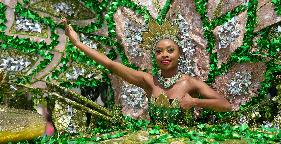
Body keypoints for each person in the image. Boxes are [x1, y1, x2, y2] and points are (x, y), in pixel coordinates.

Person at [62, 19, 231, 115]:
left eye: (170, 51)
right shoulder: (149, 81)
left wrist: (194, 101)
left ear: (179, 54)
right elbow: (110, 64)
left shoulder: (190, 83)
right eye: (159, 51)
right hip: (155, 143)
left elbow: (225, 105)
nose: (164, 55)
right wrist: (77, 43)